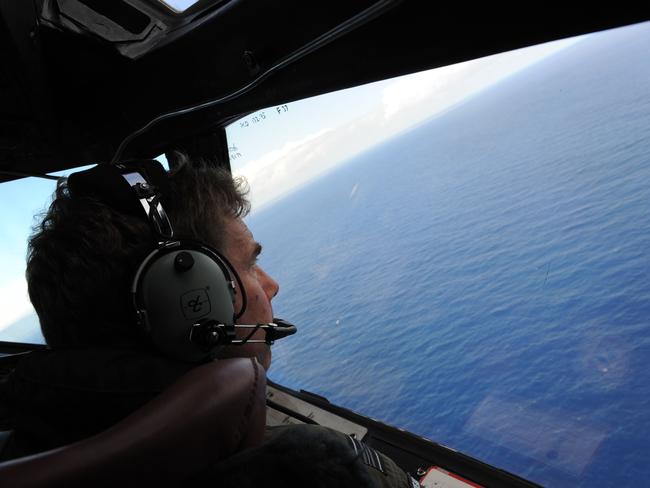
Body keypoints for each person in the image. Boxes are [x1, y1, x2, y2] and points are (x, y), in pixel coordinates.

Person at [0, 154, 417, 487]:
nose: (271, 286)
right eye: (251, 264)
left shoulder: (23, 446)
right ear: (187, 301)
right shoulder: (305, 468)